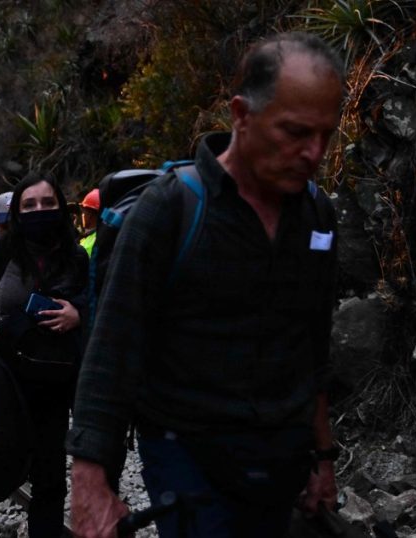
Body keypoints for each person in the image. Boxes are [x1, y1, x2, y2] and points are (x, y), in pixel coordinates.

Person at [66, 32, 344, 538]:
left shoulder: (318, 217)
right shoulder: (170, 209)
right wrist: (89, 482)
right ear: (241, 115)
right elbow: (112, 351)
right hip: (187, 453)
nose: (314, 152)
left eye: (326, 135)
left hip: (280, 451)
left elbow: (312, 347)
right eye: (296, 132)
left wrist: (323, 458)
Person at [0, 173, 88, 538]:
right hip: (3, 377)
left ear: (61, 207)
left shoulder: (76, 257)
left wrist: (78, 314)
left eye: (48, 203)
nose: (39, 210)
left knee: (49, 474)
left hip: (55, 380)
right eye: (29, 205)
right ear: (16, 212)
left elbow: (99, 302)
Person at [78, 188, 99, 257]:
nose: (82, 215)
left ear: (89, 215)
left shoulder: (86, 246)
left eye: (83, 212)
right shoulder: (104, 234)